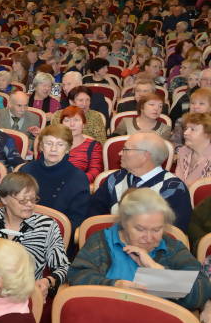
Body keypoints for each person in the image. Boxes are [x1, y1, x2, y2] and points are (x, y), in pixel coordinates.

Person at [69, 188, 210, 310]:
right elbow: (77, 276)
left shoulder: (171, 248)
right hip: (104, 322)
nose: (149, 238)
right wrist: (114, 286)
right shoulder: (102, 241)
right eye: (140, 229)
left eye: (157, 229)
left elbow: (202, 288)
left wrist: (158, 273)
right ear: (124, 223)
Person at [0, 173, 68, 299]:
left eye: (33, 199)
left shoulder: (46, 225)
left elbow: (63, 267)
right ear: (4, 199)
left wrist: (48, 282)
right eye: (23, 200)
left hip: (23, 297)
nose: (30, 204)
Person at [90, 132, 192, 232]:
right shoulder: (116, 178)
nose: (120, 153)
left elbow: (173, 234)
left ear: (145, 156)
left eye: (125, 149)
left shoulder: (173, 188)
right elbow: (92, 216)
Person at [19, 124, 90, 232]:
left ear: (67, 149)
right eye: (49, 143)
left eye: (60, 144)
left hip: (57, 236)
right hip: (21, 230)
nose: (53, 149)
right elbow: (14, 206)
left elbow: (77, 220)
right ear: (41, 147)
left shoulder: (78, 178)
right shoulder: (26, 170)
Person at [60, 106, 103, 183]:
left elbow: (95, 172)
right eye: (67, 120)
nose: (72, 124)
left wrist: (73, 181)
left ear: (83, 124)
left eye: (76, 120)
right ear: (61, 125)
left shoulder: (94, 146)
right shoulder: (53, 144)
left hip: (79, 187)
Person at [175, 112, 211, 186]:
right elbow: (178, 182)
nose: (185, 133)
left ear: (207, 134)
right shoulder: (183, 151)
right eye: (186, 128)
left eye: (192, 129)